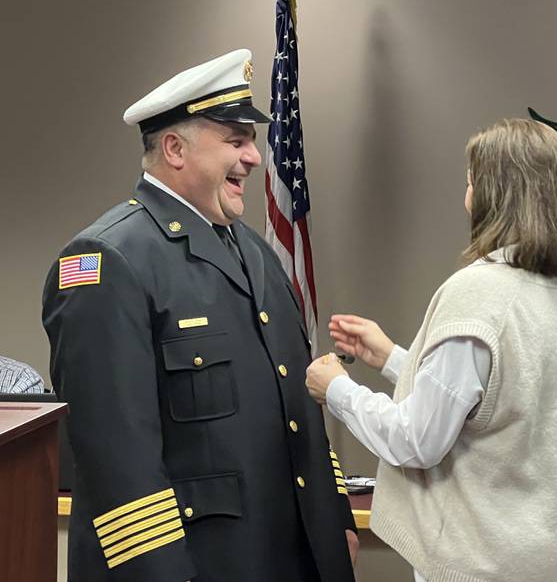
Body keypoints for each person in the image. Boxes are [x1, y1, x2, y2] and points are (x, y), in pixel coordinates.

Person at [42, 49, 356, 582]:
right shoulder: (107, 261)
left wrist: (336, 522)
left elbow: (298, 410)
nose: (254, 157)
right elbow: (119, 466)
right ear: (174, 149)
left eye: (251, 141)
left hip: (294, 557)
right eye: (235, 140)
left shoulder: (254, 252)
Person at [306, 118, 557, 582]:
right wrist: (391, 357)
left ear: (496, 195)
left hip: (478, 565)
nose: (466, 197)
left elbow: (415, 440)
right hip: (550, 564)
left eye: (471, 183)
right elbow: (501, 398)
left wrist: (339, 391)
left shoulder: (479, 291)